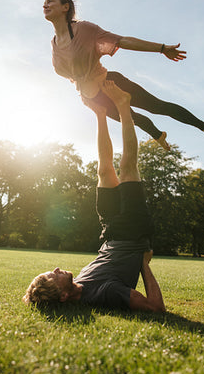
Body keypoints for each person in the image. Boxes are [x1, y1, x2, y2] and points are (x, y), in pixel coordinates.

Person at [23, 80, 166, 312]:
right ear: (62, 295)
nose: (58, 269)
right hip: (133, 231)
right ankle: (123, 106)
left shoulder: (79, 281)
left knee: (104, 171)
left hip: (109, 231)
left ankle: (100, 114)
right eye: (54, 276)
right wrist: (143, 263)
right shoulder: (103, 292)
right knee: (128, 167)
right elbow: (156, 307)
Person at [43, 0, 204, 150]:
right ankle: (159, 135)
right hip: (93, 97)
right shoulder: (54, 44)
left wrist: (161, 48)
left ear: (65, 7)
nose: (46, 4)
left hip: (110, 83)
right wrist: (84, 96)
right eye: (45, 2)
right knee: (133, 120)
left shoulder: (83, 29)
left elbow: (122, 41)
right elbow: (72, 75)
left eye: (51, 1)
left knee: (157, 107)